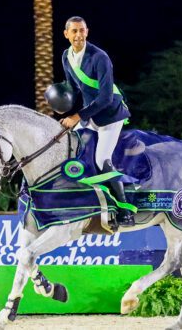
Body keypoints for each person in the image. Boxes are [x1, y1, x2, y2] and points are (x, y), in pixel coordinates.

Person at [57, 16, 134, 227]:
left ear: (87, 32)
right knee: (68, 144)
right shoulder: (66, 56)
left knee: (102, 159)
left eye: (81, 31)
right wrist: (58, 98)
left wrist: (77, 117)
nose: (78, 35)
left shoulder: (100, 57)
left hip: (110, 114)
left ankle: (124, 209)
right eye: (74, 31)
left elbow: (105, 98)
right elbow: (73, 87)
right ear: (66, 34)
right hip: (90, 114)